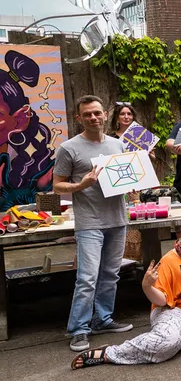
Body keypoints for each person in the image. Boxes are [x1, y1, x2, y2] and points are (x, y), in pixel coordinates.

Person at [70, 216, 181, 369]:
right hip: (173, 310)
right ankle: (110, 353)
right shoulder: (169, 259)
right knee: (167, 340)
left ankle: (178, 342)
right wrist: (147, 286)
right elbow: (161, 300)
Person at [54, 95, 135, 352]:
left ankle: (103, 319)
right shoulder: (69, 148)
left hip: (117, 219)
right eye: (87, 114)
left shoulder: (117, 145)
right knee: (87, 278)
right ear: (79, 118)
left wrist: (135, 182)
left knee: (110, 274)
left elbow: (124, 180)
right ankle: (78, 329)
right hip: (89, 222)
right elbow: (57, 185)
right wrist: (81, 185)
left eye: (97, 113)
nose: (93, 118)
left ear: (104, 114)